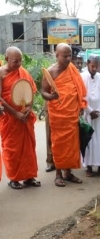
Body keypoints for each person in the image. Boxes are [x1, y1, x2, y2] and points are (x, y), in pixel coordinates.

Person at [41, 43, 87, 187]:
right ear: (57, 55)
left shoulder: (72, 69)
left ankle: (68, 173)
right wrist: (51, 97)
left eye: (70, 56)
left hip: (72, 114)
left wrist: (80, 106)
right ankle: (58, 174)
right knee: (59, 145)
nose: (68, 59)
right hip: (58, 114)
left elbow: (79, 90)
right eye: (65, 56)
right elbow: (43, 92)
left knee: (72, 146)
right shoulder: (51, 72)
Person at [0, 46, 40, 189]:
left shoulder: (22, 72)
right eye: (15, 61)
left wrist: (29, 108)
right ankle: (14, 179)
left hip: (25, 118)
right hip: (10, 119)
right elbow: (0, 98)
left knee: (29, 148)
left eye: (20, 61)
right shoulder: (1, 73)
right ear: (6, 59)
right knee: (12, 148)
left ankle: (29, 177)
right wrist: (15, 113)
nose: (18, 65)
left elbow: (31, 90)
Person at [81, 55, 100, 177]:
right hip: (87, 114)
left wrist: (99, 111)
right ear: (87, 64)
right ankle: (89, 167)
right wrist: (89, 111)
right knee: (88, 140)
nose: (94, 68)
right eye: (92, 66)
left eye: (97, 66)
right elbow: (81, 96)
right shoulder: (81, 77)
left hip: (99, 115)